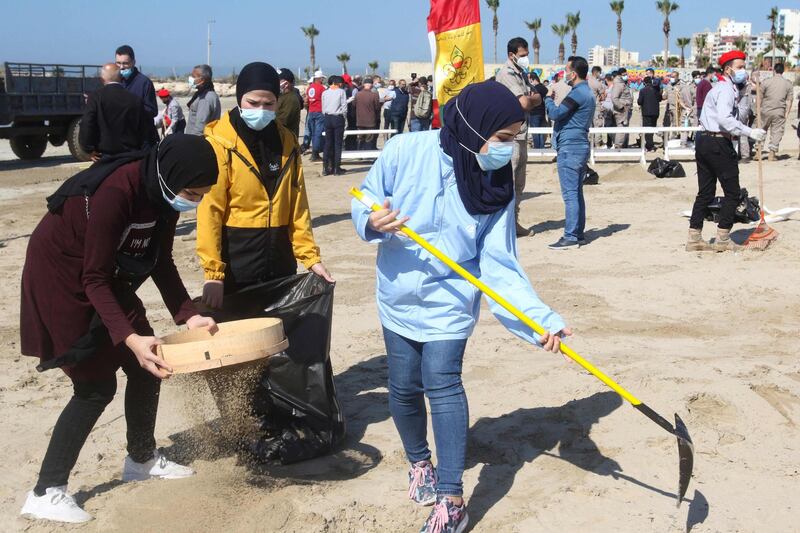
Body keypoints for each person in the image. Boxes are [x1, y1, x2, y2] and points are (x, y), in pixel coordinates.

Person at [350, 79, 570, 533]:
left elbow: (500, 264)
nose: (507, 151)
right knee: (404, 385)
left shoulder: (496, 184)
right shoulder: (405, 151)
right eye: (503, 139)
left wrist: (538, 321)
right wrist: (371, 220)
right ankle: (419, 463)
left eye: (515, 140)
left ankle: (451, 496)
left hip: (451, 297)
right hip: (397, 289)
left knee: (442, 382)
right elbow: (366, 195)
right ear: (473, 127)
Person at [19, 135, 220, 524]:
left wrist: (188, 314)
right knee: (95, 387)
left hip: (107, 277)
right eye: (191, 193)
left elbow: (161, 261)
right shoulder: (116, 192)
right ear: (168, 177)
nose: (194, 201)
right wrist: (129, 337)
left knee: (150, 363)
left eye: (202, 195)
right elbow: (92, 277)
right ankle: (46, 491)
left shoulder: (163, 194)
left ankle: (141, 458)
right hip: (63, 278)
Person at [198, 61, 333, 312]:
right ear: (240, 100)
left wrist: (310, 258)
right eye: (253, 103)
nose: (260, 109)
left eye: (268, 103)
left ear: (278, 102)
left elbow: (298, 207)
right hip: (238, 263)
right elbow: (210, 212)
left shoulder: (288, 142)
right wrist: (213, 274)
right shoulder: (219, 143)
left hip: (280, 262)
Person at [687, 50, 767, 252]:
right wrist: (750, 132)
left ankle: (694, 237)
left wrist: (744, 94)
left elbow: (737, 114)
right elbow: (725, 119)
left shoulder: (724, 89)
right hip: (718, 143)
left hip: (704, 140)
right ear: (728, 69)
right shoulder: (724, 89)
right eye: (740, 67)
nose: (743, 71)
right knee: (732, 193)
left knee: (705, 192)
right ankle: (723, 237)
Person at [545, 56, 595, 250]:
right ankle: (578, 233)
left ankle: (571, 236)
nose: (565, 73)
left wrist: (548, 100)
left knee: (570, 194)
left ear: (573, 74)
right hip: (579, 145)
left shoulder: (577, 94)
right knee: (576, 193)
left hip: (570, 147)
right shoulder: (586, 92)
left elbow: (556, 114)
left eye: (567, 70)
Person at [494, 37, 542, 237]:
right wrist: (534, 98)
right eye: (523, 55)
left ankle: (514, 222)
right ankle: (503, 226)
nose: (526, 59)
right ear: (511, 55)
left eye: (527, 55)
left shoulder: (520, 74)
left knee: (519, 183)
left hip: (521, 134)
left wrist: (534, 98)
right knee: (508, 182)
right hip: (508, 136)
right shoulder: (506, 73)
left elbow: (536, 97)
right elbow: (525, 102)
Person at [79, 63, 158, 160]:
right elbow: (144, 128)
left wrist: (88, 149)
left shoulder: (96, 98)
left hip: (105, 155)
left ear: (102, 79)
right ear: (121, 78)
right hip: (131, 155)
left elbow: (87, 123)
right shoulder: (135, 99)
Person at [760, 63, 794, 161]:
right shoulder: (788, 84)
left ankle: (758, 152)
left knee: (761, 130)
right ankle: (772, 154)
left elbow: (760, 97)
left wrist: (758, 110)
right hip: (779, 111)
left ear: (774, 70)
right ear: (783, 71)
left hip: (765, 110)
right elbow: (789, 100)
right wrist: (787, 113)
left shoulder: (766, 82)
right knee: (777, 132)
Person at [114, 45, 157, 118]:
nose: (121, 67)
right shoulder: (114, 81)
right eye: (118, 63)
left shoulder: (144, 83)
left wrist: (130, 109)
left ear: (133, 62)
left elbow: (152, 110)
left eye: (125, 63)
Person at [185, 64, 221, 136]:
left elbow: (200, 127)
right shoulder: (201, 94)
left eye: (193, 76)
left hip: (196, 141)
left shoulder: (206, 98)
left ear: (202, 80)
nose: (191, 78)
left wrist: (190, 142)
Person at [322, 75, 347, 175]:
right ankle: (337, 168)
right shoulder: (341, 92)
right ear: (338, 83)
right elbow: (344, 107)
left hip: (327, 117)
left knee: (328, 143)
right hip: (338, 118)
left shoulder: (325, 92)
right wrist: (344, 118)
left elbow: (323, 107)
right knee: (338, 144)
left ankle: (325, 168)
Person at [305, 70, 327, 161]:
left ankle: (315, 152)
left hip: (311, 111)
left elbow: (306, 100)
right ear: (320, 78)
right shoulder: (322, 88)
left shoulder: (309, 88)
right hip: (319, 111)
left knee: (313, 132)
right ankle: (315, 153)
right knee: (318, 133)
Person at [355, 77, 381, 150]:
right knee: (369, 139)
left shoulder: (358, 94)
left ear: (363, 85)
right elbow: (377, 107)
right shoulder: (374, 95)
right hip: (370, 121)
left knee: (360, 138)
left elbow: (354, 105)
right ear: (371, 85)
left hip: (360, 120)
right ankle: (367, 153)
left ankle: (359, 154)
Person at [611, 68, 633, 148]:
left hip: (625, 110)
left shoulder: (622, 83)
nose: (626, 76)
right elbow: (614, 98)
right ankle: (618, 146)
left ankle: (623, 145)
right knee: (621, 128)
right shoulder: (618, 84)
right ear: (620, 75)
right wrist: (621, 107)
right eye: (624, 75)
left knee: (624, 128)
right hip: (621, 111)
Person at [637, 76, 661, 151]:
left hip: (646, 112)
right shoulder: (656, 89)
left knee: (647, 129)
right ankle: (650, 144)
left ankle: (649, 145)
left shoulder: (642, 90)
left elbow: (639, 102)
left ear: (644, 83)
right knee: (652, 128)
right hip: (655, 112)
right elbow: (660, 99)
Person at [276, 68, 301, 138]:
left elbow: (282, 122)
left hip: (286, 141)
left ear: (286, 83)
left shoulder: (291, 99)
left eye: (278, 80)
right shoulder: (281, 96)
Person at [529, 73, 549, 149]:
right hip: (542, 112)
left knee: (535, 132)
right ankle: (541, 147)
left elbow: (531, 99)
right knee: (541, 131)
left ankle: (537, 148)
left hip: (534, 112)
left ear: (532, 79)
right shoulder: (544, 88)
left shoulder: (534, 89)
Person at [588, 66, 606, 147]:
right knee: (597, 125)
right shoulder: (598, 83)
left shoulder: (586, 82)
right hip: (596, 106)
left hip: (587, 107)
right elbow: (603, 97)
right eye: (600, 73)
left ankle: (589, 142)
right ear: (597, 72)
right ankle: (597, 143)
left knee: (589, 125)